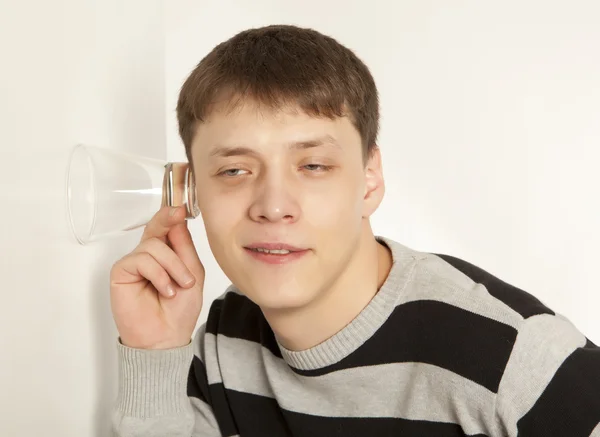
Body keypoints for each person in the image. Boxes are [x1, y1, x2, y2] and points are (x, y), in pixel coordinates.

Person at [109, 24, 600, 437]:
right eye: (235, 171)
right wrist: (154, 354)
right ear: (190, 191)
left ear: (369, 181)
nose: (273, 206)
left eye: (314, 165)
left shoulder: (515, 359)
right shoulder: (222, 342)